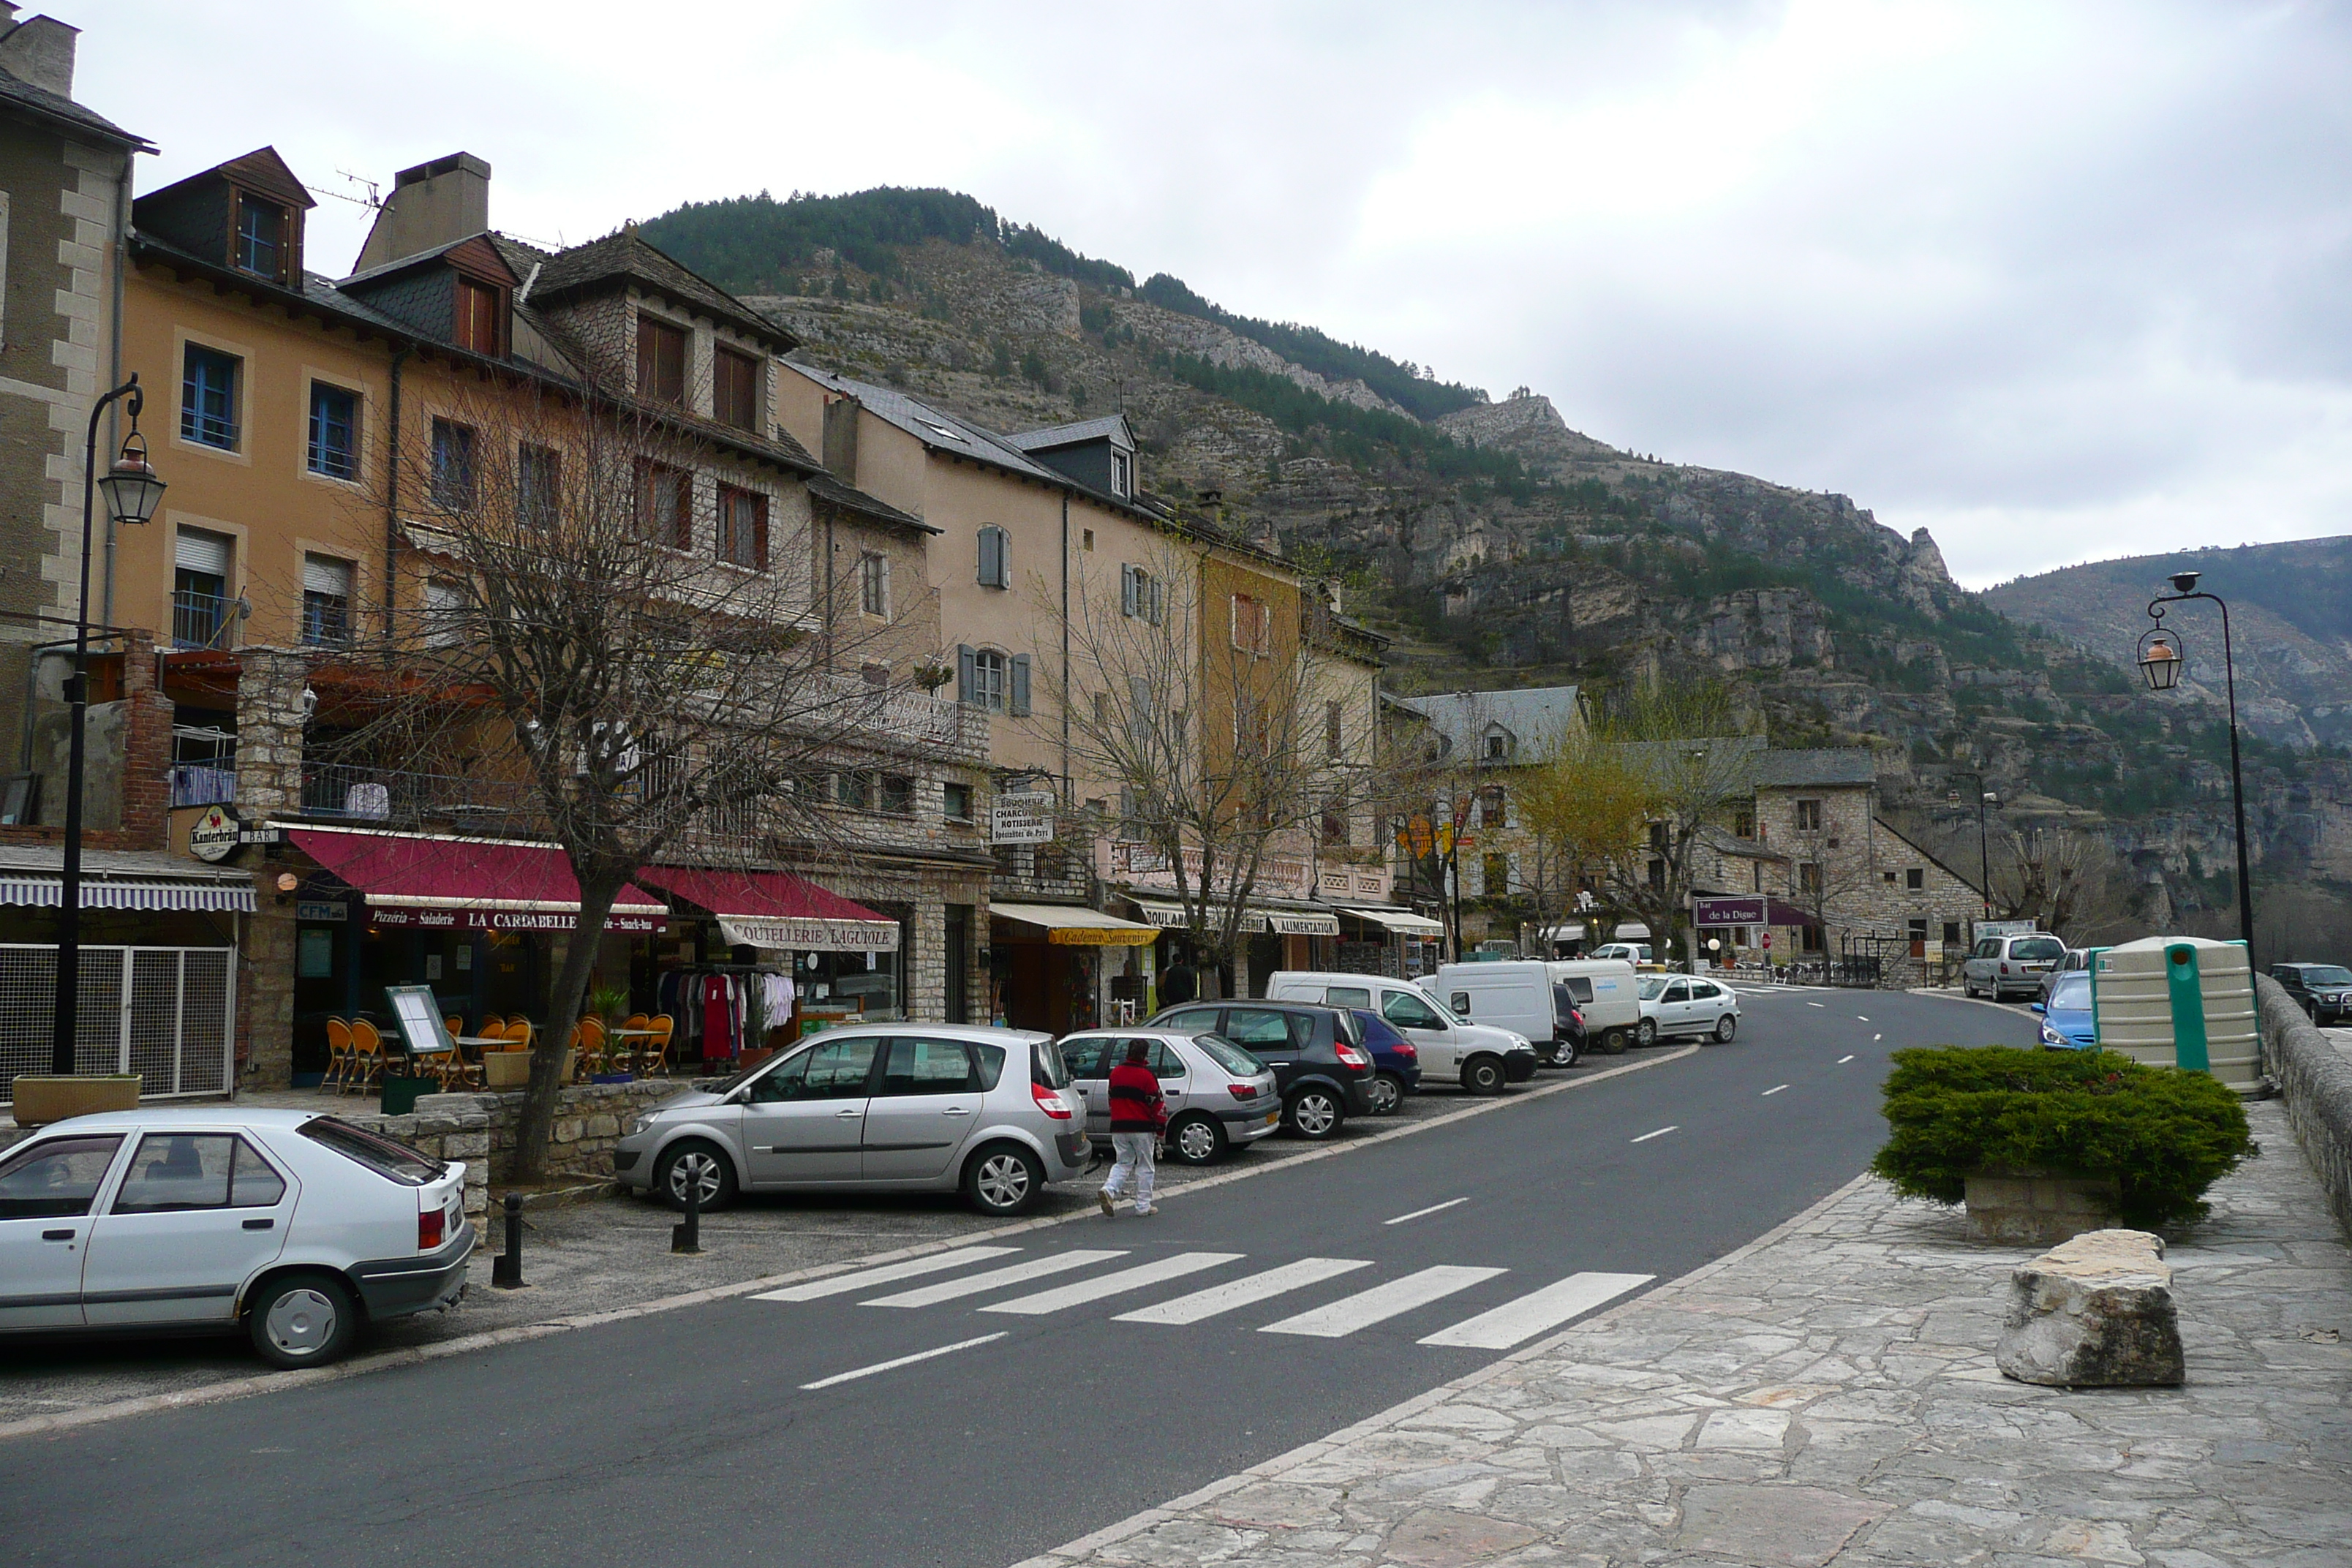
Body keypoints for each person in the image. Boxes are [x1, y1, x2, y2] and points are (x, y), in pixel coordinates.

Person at [1098, 1039, 1165, 1218]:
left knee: (1123, 1162)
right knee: (1144, 1166)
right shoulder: (1147, 1076)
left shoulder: (1116, 1073)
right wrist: (1160, 1129)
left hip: (1119, 1126)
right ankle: (1143, 1206)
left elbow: (1111, 1099)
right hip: (1142, 1127)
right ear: (1145, 1054)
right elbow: (1157, 1104)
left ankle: (1109, 1190)